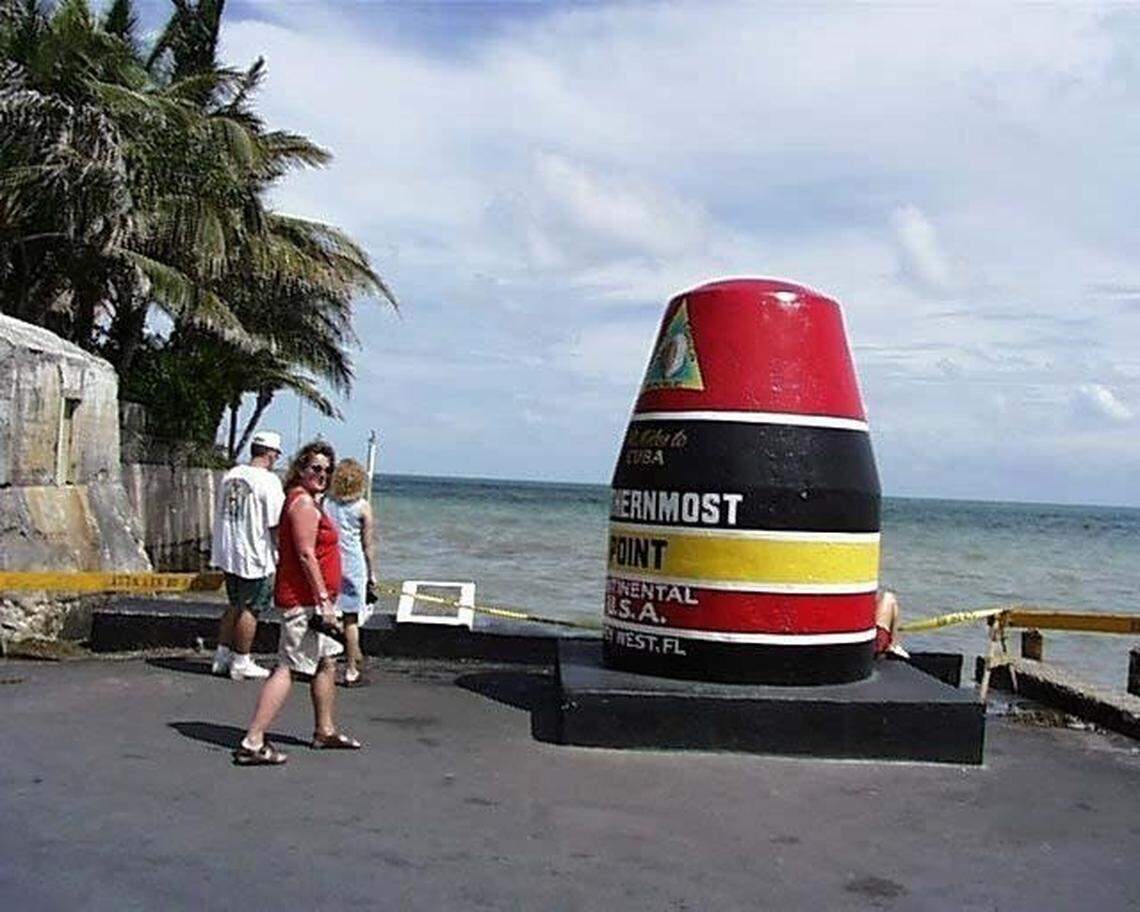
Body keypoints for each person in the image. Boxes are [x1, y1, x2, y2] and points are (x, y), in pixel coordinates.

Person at [234, 440, 362, 765]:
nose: (323, 474)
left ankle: (325, 730)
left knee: (326, 662)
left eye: (327, 470)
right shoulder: (303, 504)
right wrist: (323, 600)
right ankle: (252, 741)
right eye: (315, 468)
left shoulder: (306, 501)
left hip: (316, 601)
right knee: (288, 667)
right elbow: (306, 554)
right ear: (301, 469)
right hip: (305, 603)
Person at [210, 430, 285, 680]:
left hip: (228, 551)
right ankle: (242, 659)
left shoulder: (231, 474)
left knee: (234, 604)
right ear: (271, 454)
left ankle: (221, 656)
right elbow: (276, 524)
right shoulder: (269, 481)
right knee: (251, 609)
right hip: (255, 554)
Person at [323, 459, 378, 686]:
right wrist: (372, 573)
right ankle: (352, 668)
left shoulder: (326, 503)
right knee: (351, 619)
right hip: (353, 565)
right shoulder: (362, 506)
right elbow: (368, 545)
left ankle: (326, 662)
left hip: (330, 562)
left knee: (330, 615)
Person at [874, 589, 910, 659]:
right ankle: (894, 645)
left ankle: (894, 645)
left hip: (859, 638)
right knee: (889, 597)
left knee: (884, 598)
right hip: (873, 643)